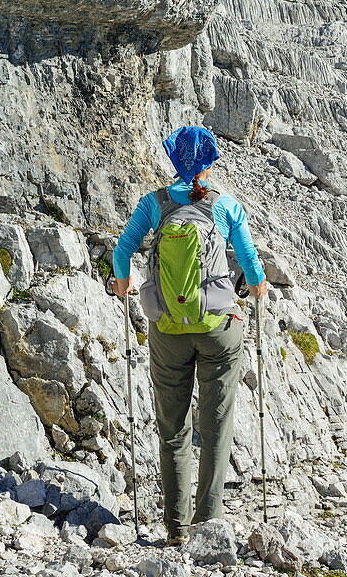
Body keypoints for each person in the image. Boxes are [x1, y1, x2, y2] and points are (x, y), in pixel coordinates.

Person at [111, 126, 268, 545]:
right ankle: (208, 522)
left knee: (172, 427)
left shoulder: (154, 203)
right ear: (209, 163)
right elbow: (251, 262)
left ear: (173, 161)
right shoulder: (225, 206)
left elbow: (122, 251)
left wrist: (123, 283)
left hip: (167, 329)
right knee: (215, 424)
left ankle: (176, 528)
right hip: (219, 329)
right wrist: (257, 286)